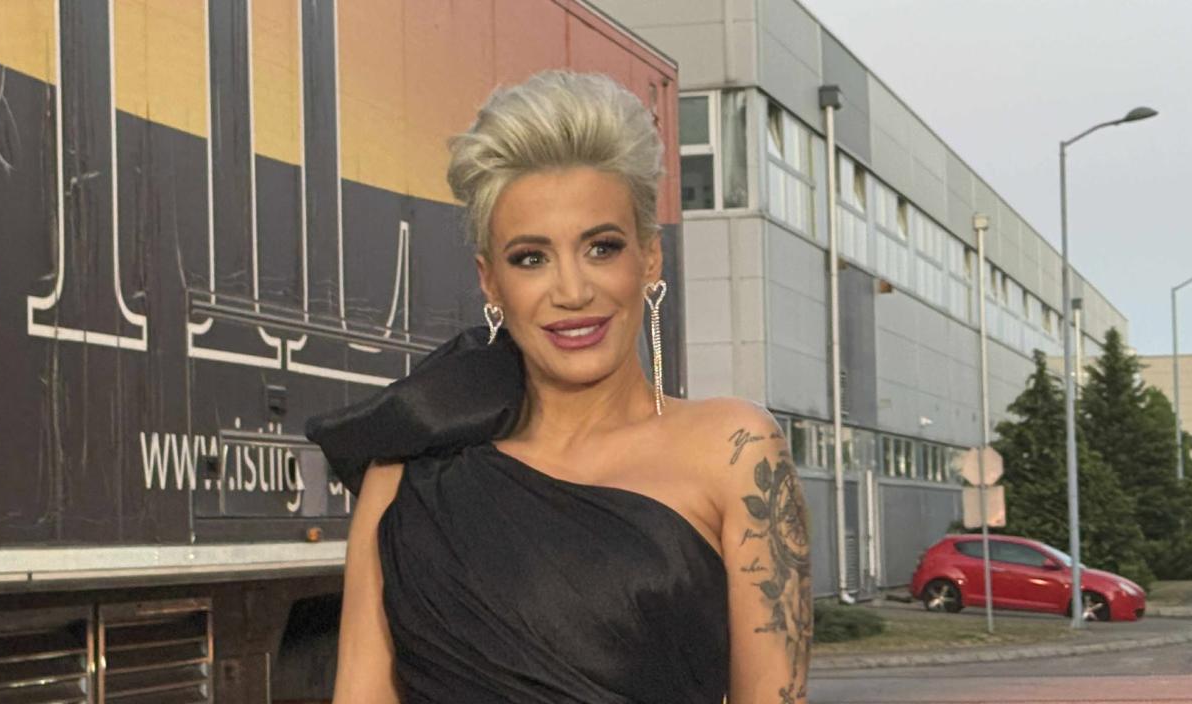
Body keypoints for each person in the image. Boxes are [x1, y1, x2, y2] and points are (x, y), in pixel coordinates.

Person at [306, 69, 813, 704]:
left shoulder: (736, 451)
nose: (572, 291)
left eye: (601, 248)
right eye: (531, 258)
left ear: (649, 258)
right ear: (490, 282)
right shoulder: (405, 477)